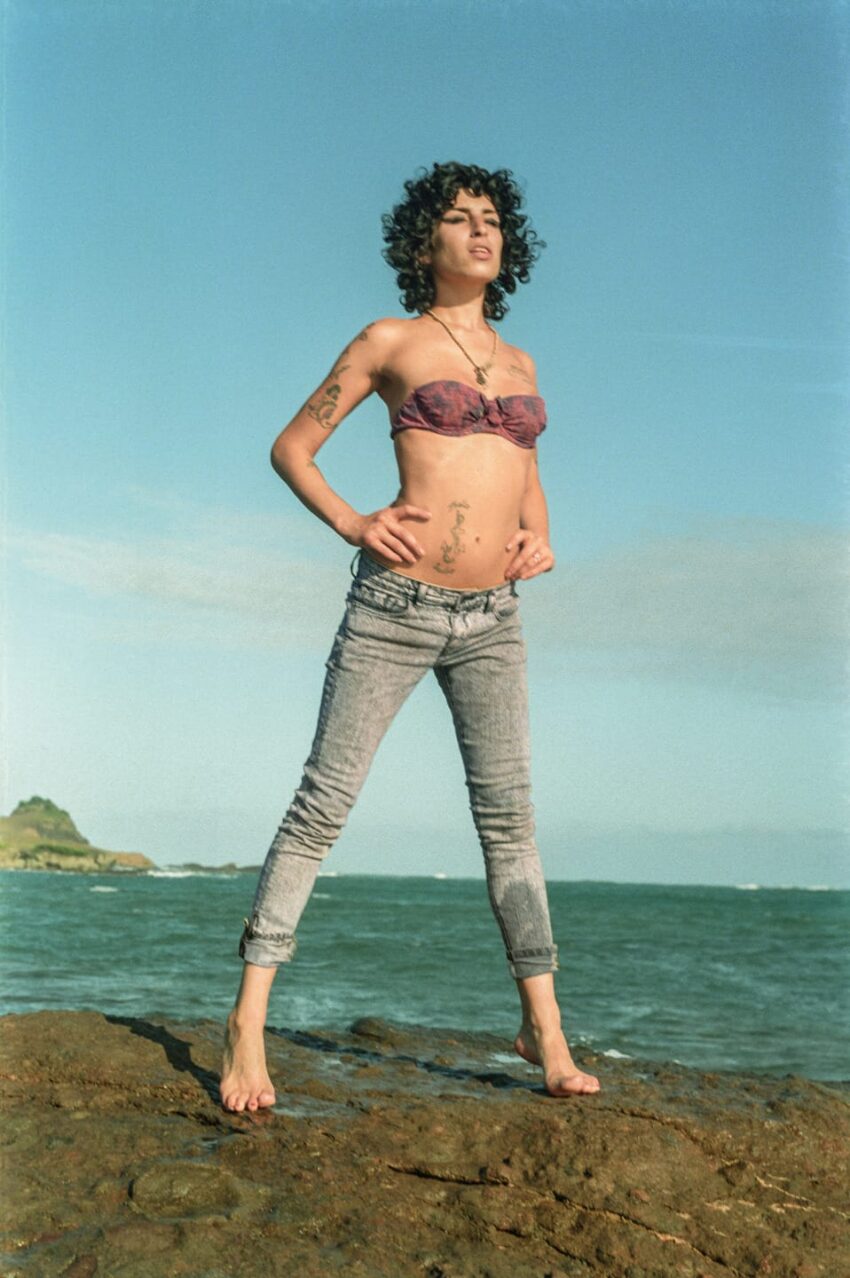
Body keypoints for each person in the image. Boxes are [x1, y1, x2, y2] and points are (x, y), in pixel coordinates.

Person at [220, 161, 601, 1111]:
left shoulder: (522, 367)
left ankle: (544, 1030)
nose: (481, 232)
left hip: (492, 622)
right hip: (392, 608)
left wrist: (540, 534)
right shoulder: (388, 340)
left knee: (510, 821)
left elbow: (524, 465)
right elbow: (291, 449)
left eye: (493, 221)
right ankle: (246, 1027)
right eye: (460, 220)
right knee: (323, 805)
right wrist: (354, 523)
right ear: (422, 243)